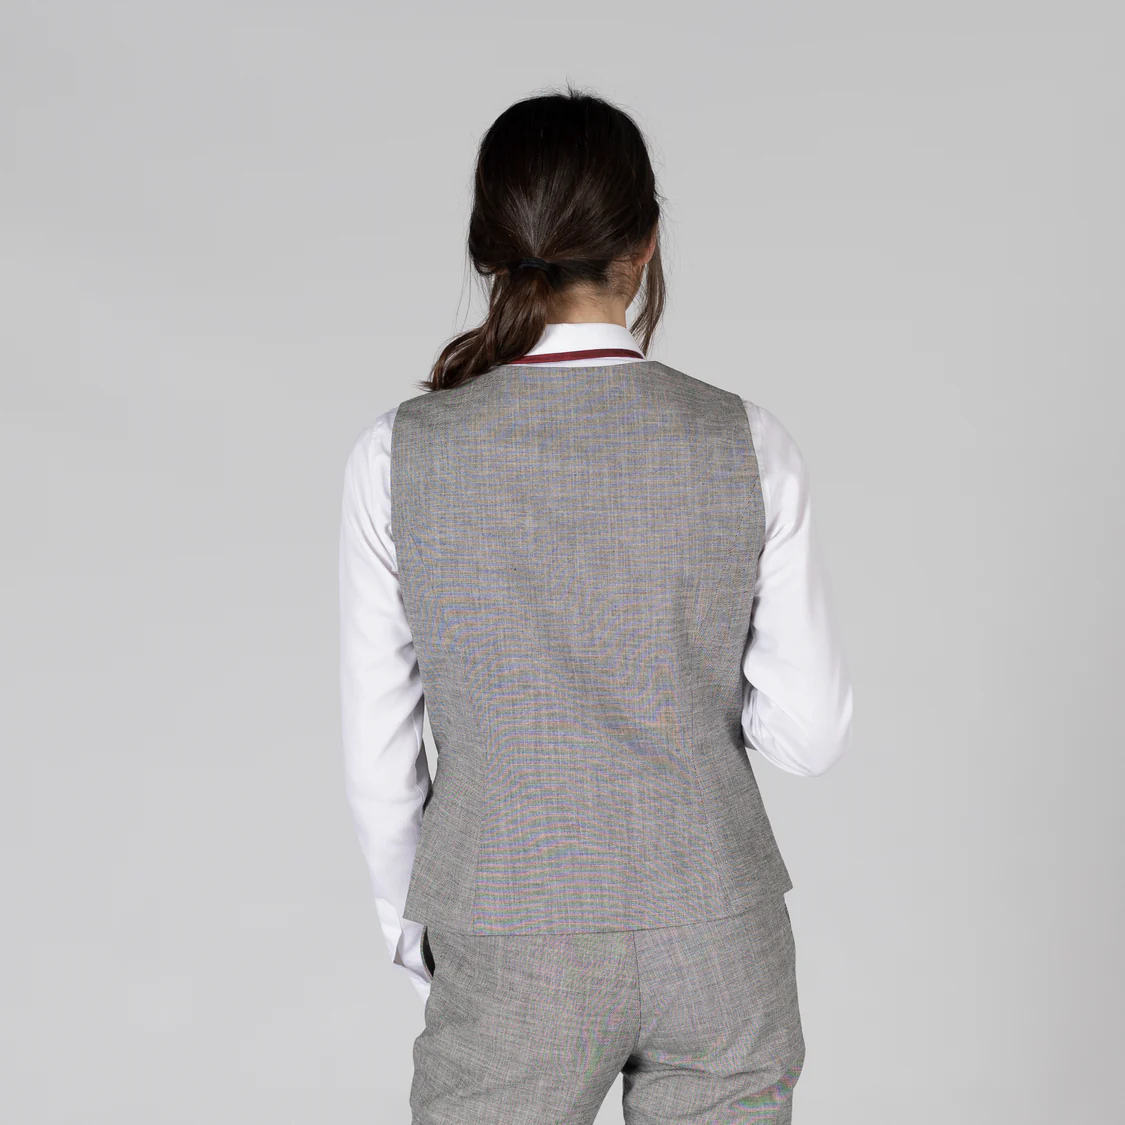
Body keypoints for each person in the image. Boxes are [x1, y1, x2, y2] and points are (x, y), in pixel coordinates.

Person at [338, 86, 853, 1125]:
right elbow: (809, 736)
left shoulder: (397, 455)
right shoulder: (747, 440)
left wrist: (417, 933)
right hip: (718, 930)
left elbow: (381, 764)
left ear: (491, 251)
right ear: (645, 245)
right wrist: (692, 686)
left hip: (508, 930)